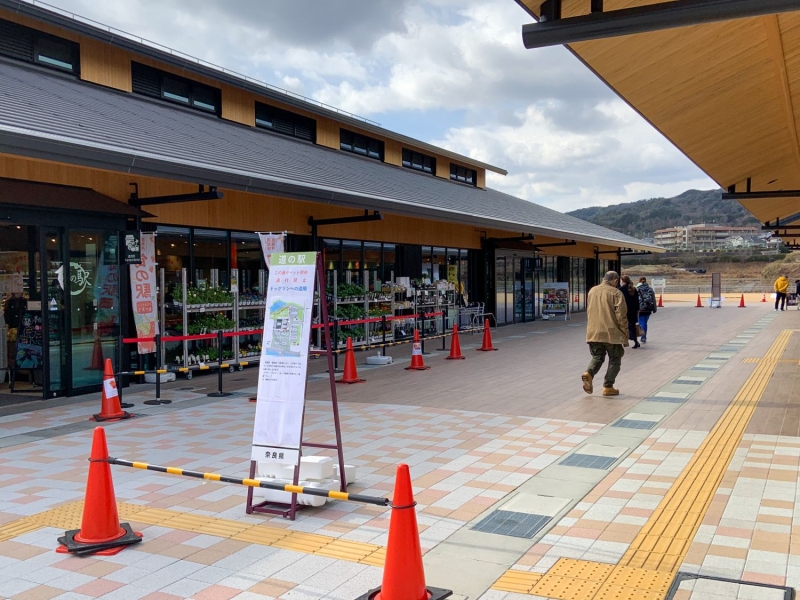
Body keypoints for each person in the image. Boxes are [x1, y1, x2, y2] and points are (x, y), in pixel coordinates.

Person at [582, 271, 629, 397]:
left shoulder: (592, 291)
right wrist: (625, 333)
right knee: (615, 359)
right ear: (615, 281)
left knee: (597, 357)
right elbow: (621, 316)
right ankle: (608, 386)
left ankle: (588, 373)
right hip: (611, 333)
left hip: (593, 332)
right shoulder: (616, 293)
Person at [619, 275, 640, 349]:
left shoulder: (621, 289)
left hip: (625, 311)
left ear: (623, 281)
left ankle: (625, 340)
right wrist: (637, 310)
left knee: (624, 326)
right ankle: (635, 341)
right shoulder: (634, 289)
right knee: (633, 326)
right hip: (633, 311)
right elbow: (637, 301)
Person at [636, 277, 657, 343]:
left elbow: (636, 300)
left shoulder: (637, 289)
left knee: (642, 322)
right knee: (645, 322)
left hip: (640, 308)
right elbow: (653, 299)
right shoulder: (650, 289)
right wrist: (654, 309)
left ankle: (643, 337)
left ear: (639, 281)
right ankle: (644, 336)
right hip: (648, 308)